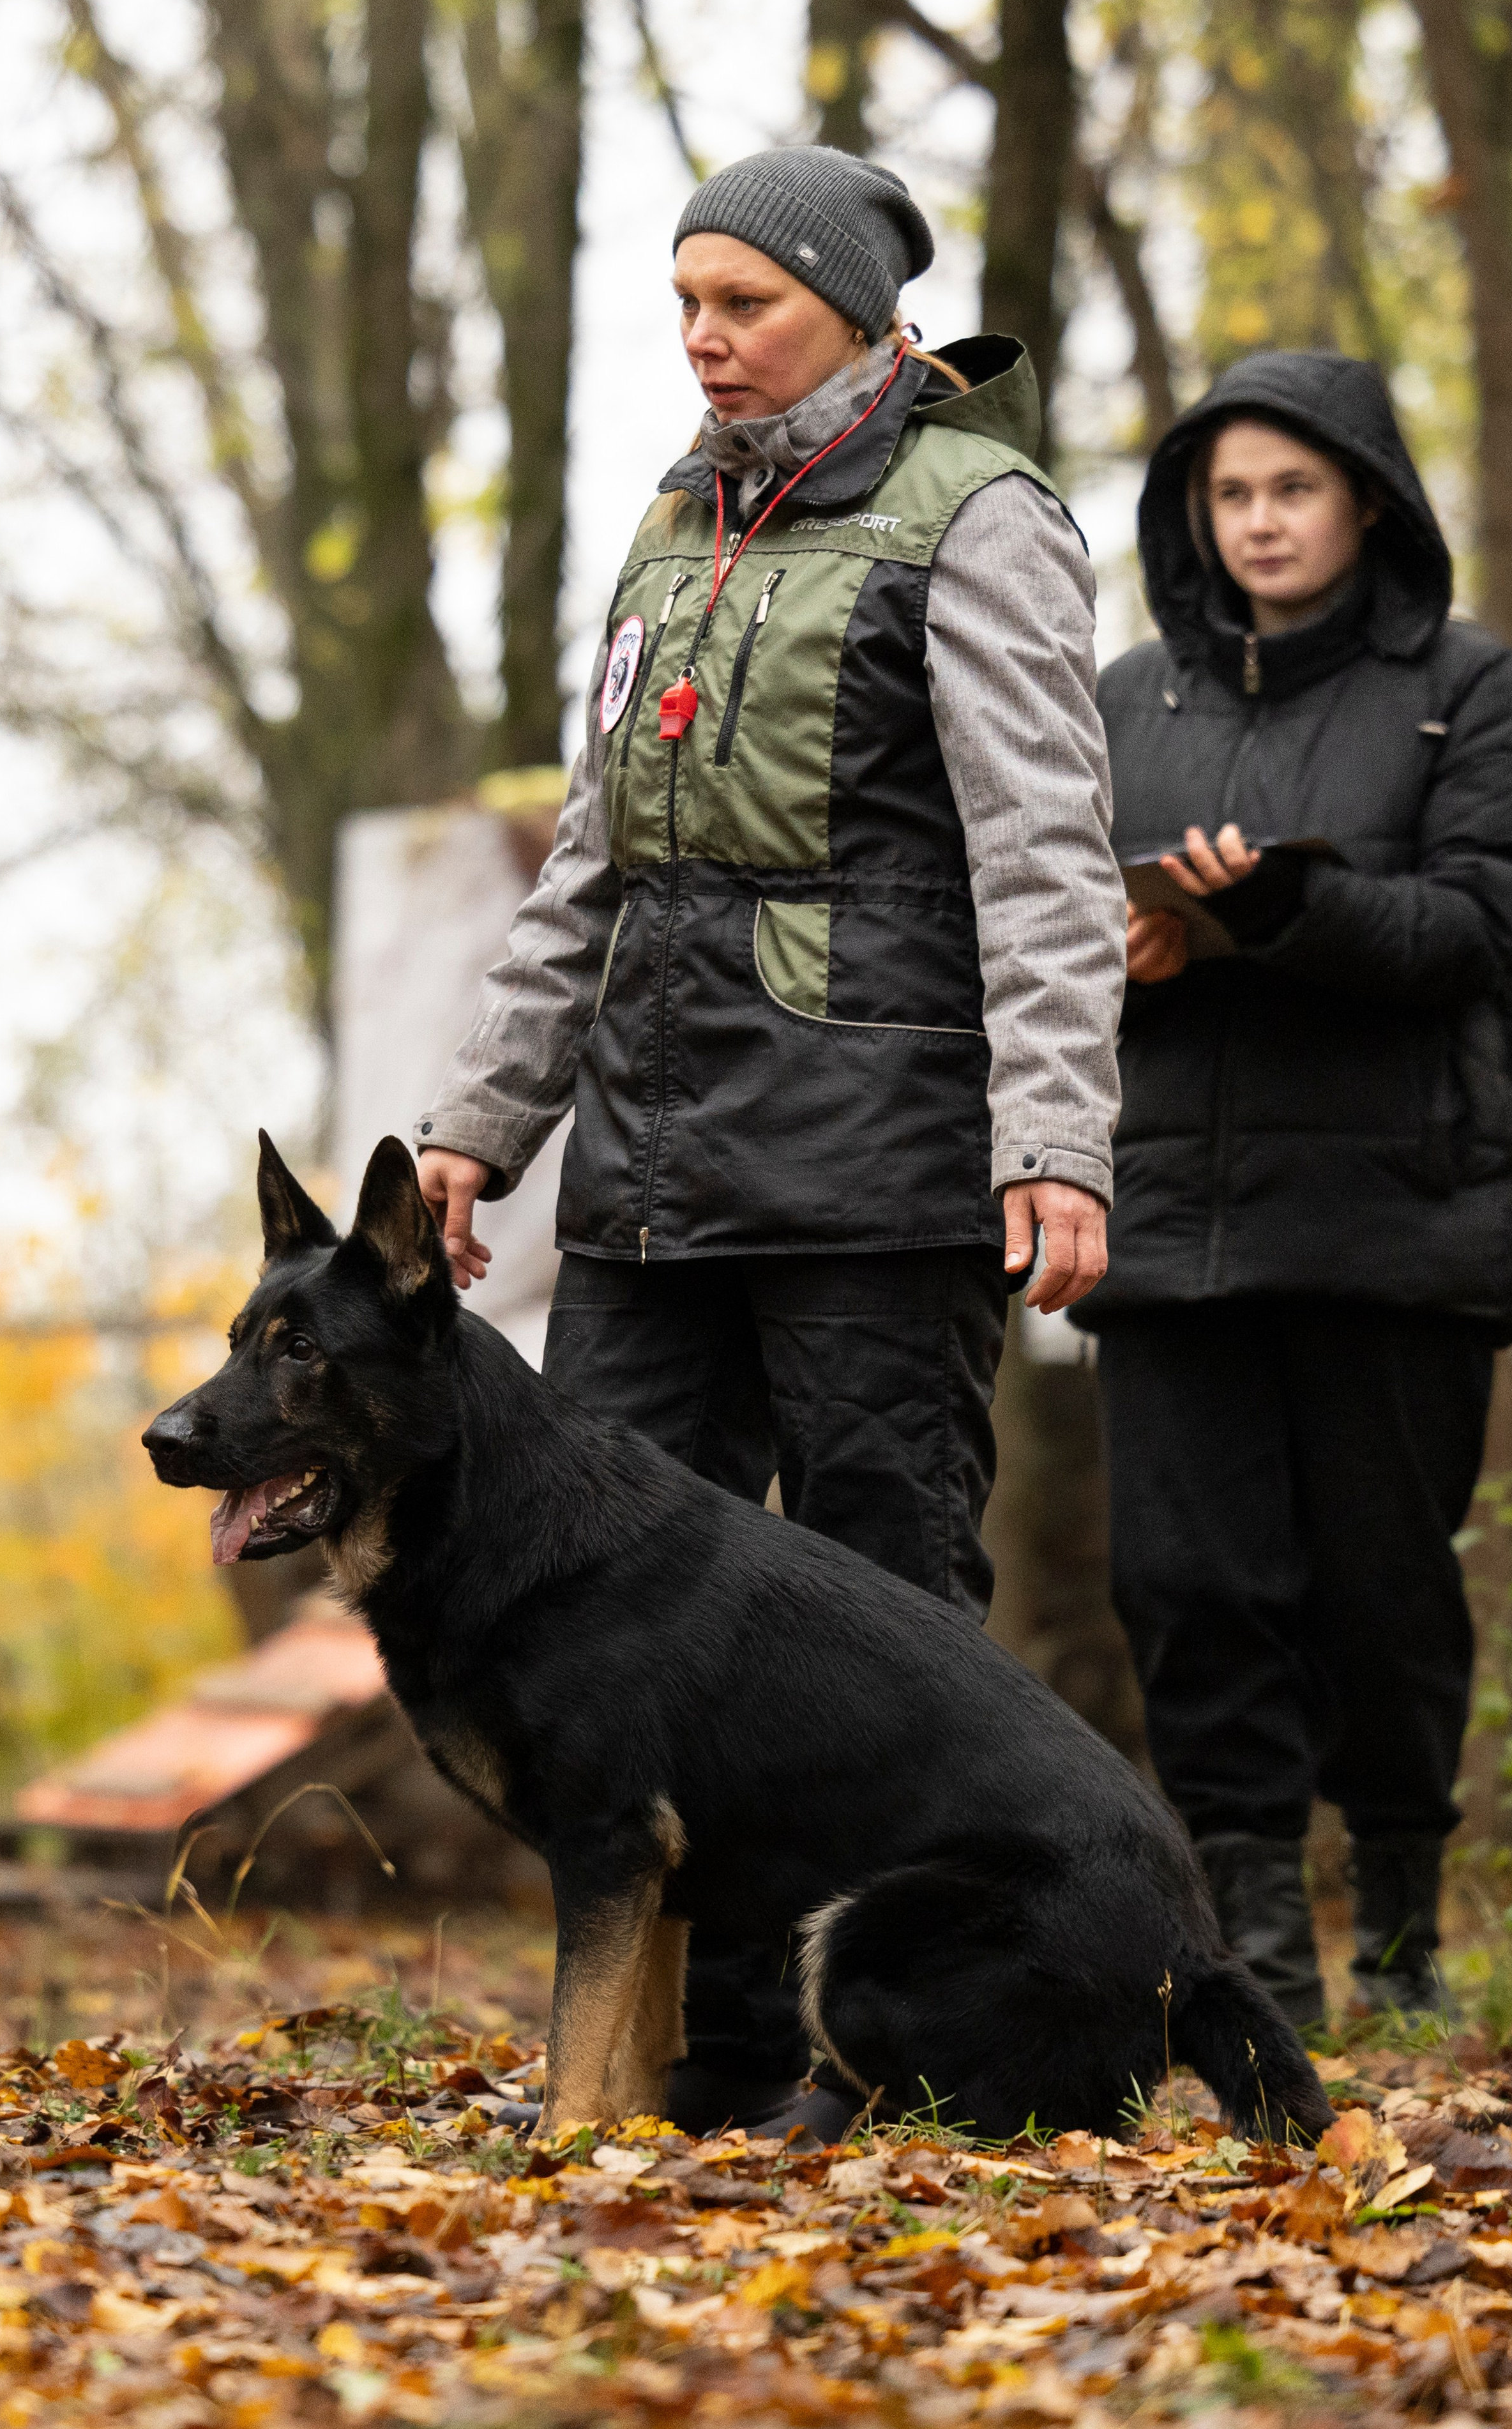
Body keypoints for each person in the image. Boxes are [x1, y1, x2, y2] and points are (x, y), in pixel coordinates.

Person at [413, 145, 1126, 2133]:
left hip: (878, 1174)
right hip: (646, 1176)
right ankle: (710, 2063)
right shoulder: (670, 521)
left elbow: (1050, 861)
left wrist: (1055, 1138)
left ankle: (894, 2051)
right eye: (687, 306)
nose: (708, 344)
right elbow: (589, 864)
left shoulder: (977, 515)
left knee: (884, 1611)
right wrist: (481, 1122)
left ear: (864, 312)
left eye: (748, 305)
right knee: (606, 1627)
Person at [1078, 349, 1512, 2027]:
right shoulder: (1127, 698)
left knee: (1382, 1599)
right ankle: (1259, 1949)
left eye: (1294, 488)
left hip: (1391, 1222)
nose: (1262, 522)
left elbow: (1485, 933)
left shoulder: (1469, 688)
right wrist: (1130, 942)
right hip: (1169, 1229)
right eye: (1231, 494)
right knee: (1193, 1592)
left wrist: (1278, 914)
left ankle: (1407, 1940)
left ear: (1368, 500)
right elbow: (1043, 928)